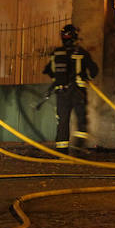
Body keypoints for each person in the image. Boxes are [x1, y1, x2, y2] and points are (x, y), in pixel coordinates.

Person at [42, 24, 98, 155]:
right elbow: (94, 71)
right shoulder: (82, 53)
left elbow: (49, 71)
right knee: (81, 119)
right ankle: (79, 149)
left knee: (63, 121)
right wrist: (86, 77)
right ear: (75, 37)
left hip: (62, 93)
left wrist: (59, 80)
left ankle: (61, 152)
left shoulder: (57, 53)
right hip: (78, 92)